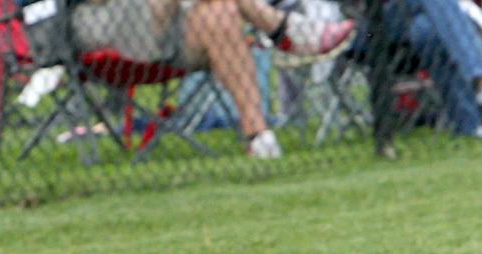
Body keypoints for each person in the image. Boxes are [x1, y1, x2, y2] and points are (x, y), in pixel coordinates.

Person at [69, 0, 358, 158]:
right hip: (99, 30)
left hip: (163, 27)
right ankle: (285, 29)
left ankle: (259, 137)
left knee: (221, 11)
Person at [347, 0, 482, 137]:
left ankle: (470, 127)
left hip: (440, 17)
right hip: (369, 27)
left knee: (425, 31)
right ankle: (481, 77)